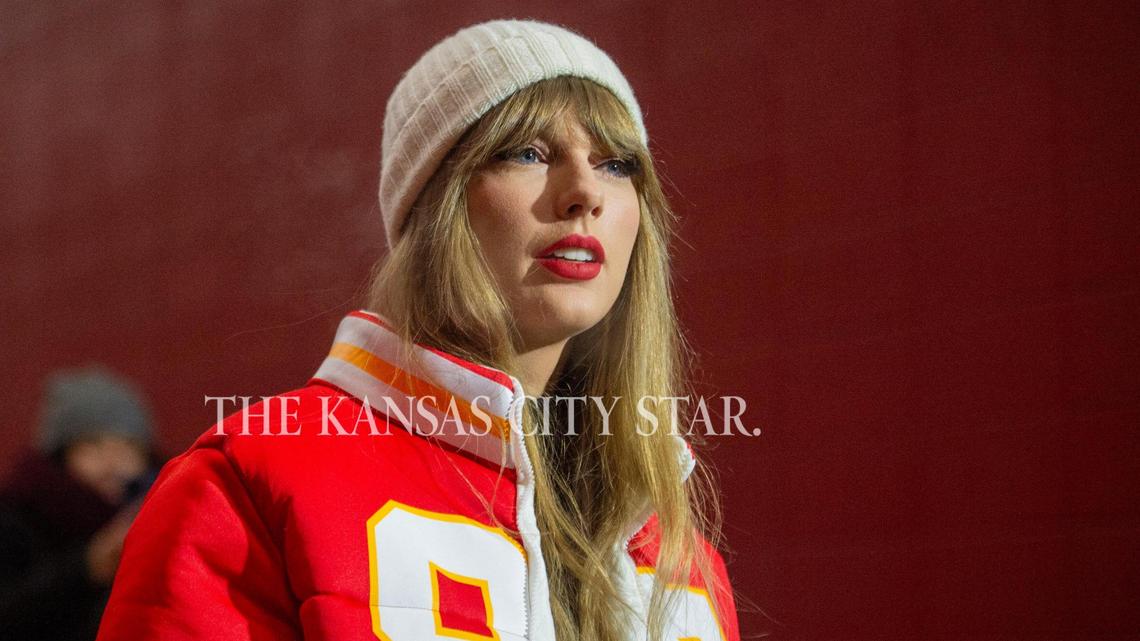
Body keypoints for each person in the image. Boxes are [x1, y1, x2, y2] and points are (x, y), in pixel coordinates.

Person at [97, 19, 740, 641]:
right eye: (526, 152)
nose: (584, 193)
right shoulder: (250, 483)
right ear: (435, 207)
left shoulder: (683, 558)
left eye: (617, 164)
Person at [0, 366, 159, 641]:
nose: (112, 463)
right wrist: (87, 566)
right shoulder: (18, 520)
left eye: (126, 446)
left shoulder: (163, 510)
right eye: (92, 446)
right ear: (60, 456)